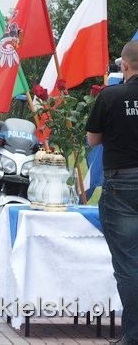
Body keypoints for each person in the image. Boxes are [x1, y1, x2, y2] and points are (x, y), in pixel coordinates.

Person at [86, 40, 138, 345]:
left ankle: (133, 336)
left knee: (129, 264)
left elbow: (93, 141)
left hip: (121, 186)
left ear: (125, 66)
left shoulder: (111, 95)